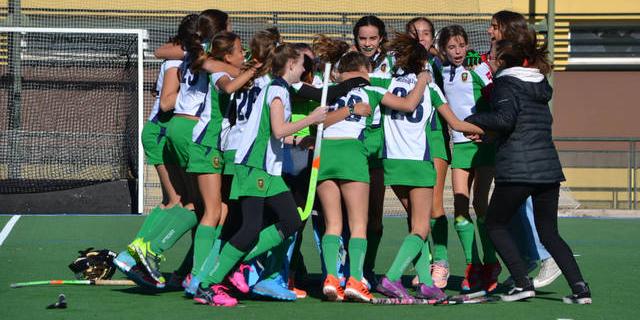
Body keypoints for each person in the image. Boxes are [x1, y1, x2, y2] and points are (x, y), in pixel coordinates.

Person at [193, 43, 327, 307]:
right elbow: (278, 130)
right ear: (290, 65)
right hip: (255, 166)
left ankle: (233, 266)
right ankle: (210, 284)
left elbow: (272, 133)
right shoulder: (277, 89)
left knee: (291, 220)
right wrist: (311, 119)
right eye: (302, 64)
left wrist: (299, 141)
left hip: (269, 168)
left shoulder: (278, 89)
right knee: (251, 227)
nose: (304, 69)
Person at [464, 30, 592, 304]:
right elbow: (521, 124)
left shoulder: (505, 83)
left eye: (494, 56)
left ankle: (523, 283)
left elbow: (506, 119)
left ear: (502, 60)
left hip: (518, 168)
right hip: (547, 168)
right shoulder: (538, 83)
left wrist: (474, 118)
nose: (490, 59)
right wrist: (488, 134)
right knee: (549, 232)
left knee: (495, 224)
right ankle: (581, 289)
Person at [486, 10, 561, 288]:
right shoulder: (502, 61)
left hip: (524, 150)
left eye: (495, 27)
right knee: (513, 209)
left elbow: (513, 108)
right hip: (510, 147)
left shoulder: (520, 66)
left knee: (524, 204)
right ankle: (527, 257)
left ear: (509, 30)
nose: (490, 31)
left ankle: (545, 256)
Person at [437, 24, 501, 292]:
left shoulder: (477, 67)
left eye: (461, 45)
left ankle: (491, 263)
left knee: (481, 204)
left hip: (483, 143)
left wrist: (484, 67)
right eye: (451, 47)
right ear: (443, 50)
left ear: (467, 45)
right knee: (460, 206)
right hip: (460, 146)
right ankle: (472, 264)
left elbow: (497, 92)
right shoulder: (440, 72)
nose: (458, 51)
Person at [406, 16, 451, 289]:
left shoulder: (441, 64)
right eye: (414, 33)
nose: (419, 38)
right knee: (413, 208)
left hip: (434, 137)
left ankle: (441, 263)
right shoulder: (398, 65)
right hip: (405, 140)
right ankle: (423, 262)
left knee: (433, 203)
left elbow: (465, 57)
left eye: (425, 34)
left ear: (432, 39)